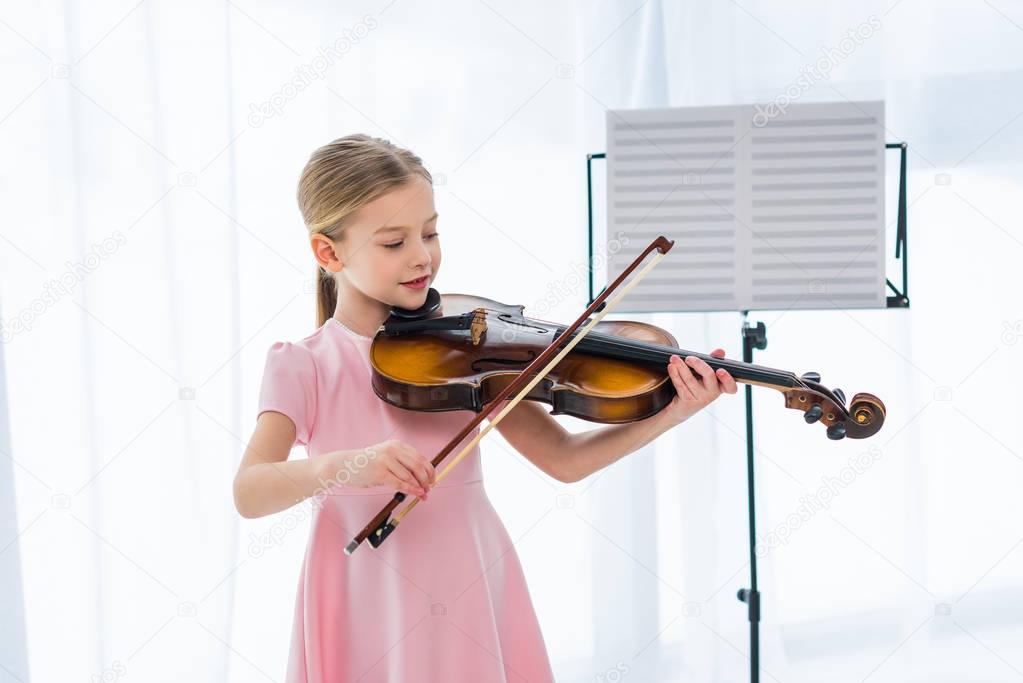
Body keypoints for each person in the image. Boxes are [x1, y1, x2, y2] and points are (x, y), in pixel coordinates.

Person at [233, 133, 738, 682]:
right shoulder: (302, 364)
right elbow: (250, 491)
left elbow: (563, 459)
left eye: (430, 232)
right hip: (362, 597)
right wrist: (343, 465)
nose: (422, 256)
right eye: (393, 242)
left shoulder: (464, 351)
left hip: (468, 580)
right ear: (328, 252)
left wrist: (673, 411)